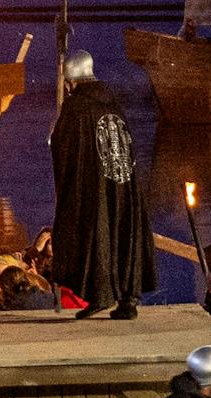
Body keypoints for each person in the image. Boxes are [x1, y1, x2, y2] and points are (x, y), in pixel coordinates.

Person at [48, 50, 157, 320]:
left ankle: (100, 295)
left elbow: (64, 149)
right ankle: (127, 299)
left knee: (96, 233)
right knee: (122, 234)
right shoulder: (112, 103)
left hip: (93, 186)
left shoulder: (76, 107)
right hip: (123, 183)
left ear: (70, 80)